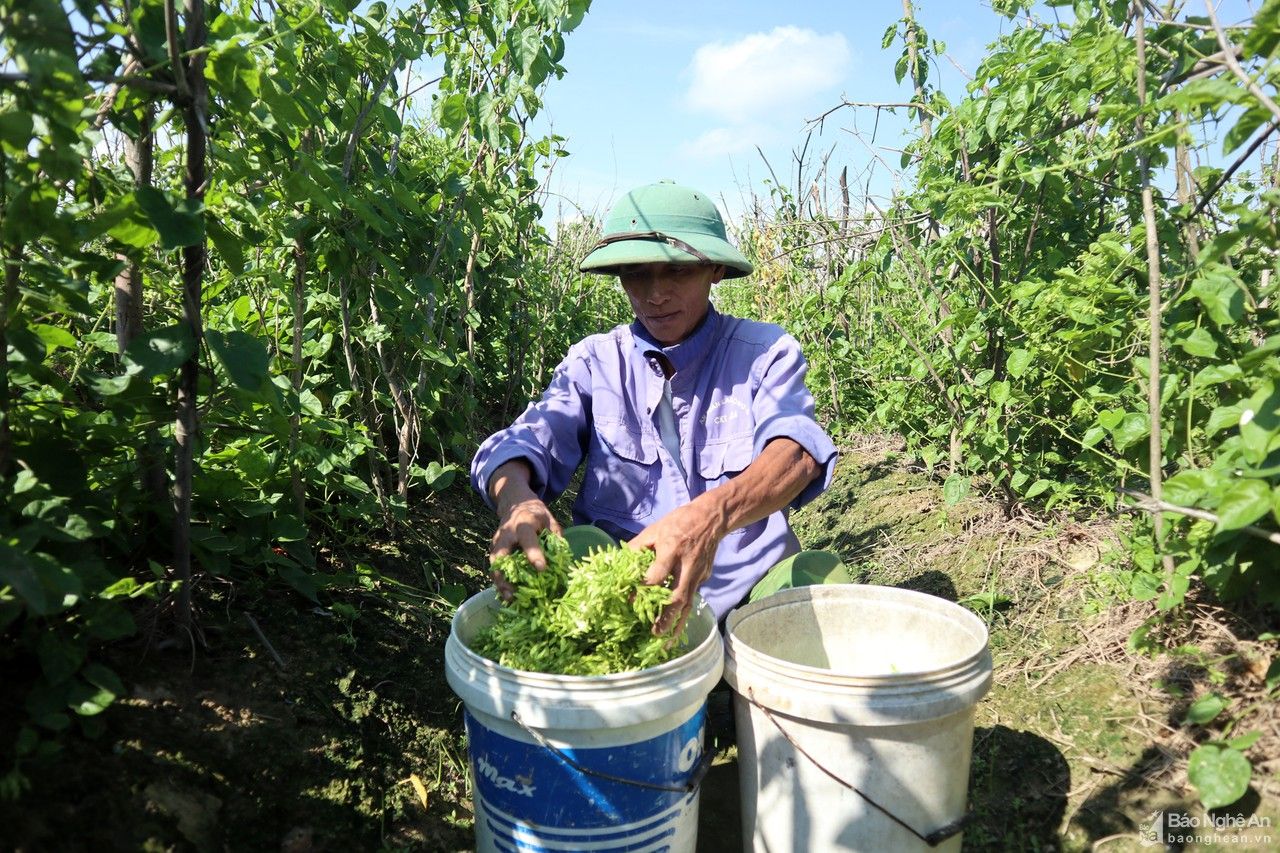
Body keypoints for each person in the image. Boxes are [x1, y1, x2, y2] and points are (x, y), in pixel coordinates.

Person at [470, 180, 843, 632]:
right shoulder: (595, 362)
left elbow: (797, 452)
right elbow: (528, 438)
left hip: (746, 590)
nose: (655, 294)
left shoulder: (764, 353)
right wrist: (516, 500)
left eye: (677, 271)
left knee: (821, 586)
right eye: (636, 274)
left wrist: (710, 518)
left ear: (715, 271)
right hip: (626, 593)